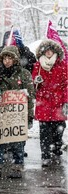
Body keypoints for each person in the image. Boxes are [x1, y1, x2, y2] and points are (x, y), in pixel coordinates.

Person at [0, 46, 35, 180]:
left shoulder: (24, 73)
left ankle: (17, 167)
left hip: (18, 114)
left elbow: (30, 95)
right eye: (4, 58)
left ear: (15, 59)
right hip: (2, 113)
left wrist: (30, 115)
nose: (7, 61)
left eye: (10, 58)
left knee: (17, 142)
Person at [32, 39, 67, 167]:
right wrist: (37, 81)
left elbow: (66, 84)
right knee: (44, 131)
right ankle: (45, 155)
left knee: (59, 128)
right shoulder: (38, 66)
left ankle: (56, 148)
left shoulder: (62, 65)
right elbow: (34, 85)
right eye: (46, 50)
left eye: (50, 50)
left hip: (58, 103)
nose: (48, 52)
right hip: (44, 103)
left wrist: (65, 100)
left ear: (55, 51)